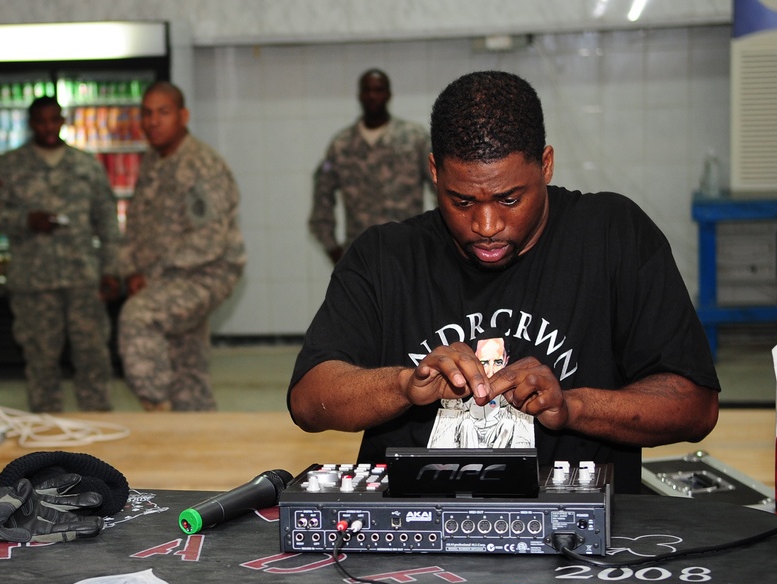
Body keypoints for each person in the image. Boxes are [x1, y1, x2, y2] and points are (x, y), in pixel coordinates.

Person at [288, 70, 720, 494]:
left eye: (509, 198)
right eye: (462, 201)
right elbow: (308, 401)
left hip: (577, 551)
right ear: (435, 172)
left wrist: (572, 407)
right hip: (413, 544)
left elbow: (695, 406)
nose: (486, 225)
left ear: (546, 165)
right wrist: (404, 384)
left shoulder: (613, 236)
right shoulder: (385, 256)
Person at [0, 96, 120, 413]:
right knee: (41, 362)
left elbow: (107, 220)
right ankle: (47, 438)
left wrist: (111, 270)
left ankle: (99, 428)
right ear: (30, 124)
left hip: (84, 280)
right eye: (40, 121)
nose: (48, 127)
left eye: (54, 120)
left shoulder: (85, 166)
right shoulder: (10, 165)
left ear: (63, 121)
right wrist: (25, 221)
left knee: (93, 358)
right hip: (34, 283)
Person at [117, 81, 245, 412]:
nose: (153, 121)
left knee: (139, 317)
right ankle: (199, 427)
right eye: (147, 113)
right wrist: (131, 268)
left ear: (183, 116)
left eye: (164, 112)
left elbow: (210, 238)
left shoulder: (201, 164)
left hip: (204, 274)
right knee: (187, 365)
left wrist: (154, 275)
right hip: (166, 276)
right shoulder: (153, 161)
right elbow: (137, 222)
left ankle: (157, 407)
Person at [308, 68, 432, 264]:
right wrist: (333, 249)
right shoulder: (342, 145)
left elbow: (443, 187)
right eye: (367, 90)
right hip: (360, 257)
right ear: (359, 95)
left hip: (410, 254)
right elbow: (321, 196)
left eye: (379, 90)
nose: (373, 96)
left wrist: (439, 241)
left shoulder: (414, 139)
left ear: (389, 94)